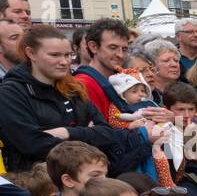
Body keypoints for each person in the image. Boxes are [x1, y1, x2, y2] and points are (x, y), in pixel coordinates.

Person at [0, 25, 162, 175]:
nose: (64, 62)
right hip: (40, 181)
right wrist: (89, 134)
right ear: (31, 53)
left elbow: (106, 133)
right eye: (54, 55)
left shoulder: (73, 88)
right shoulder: (11, 92)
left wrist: (67, 132)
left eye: (68, 55)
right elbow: (32, 145)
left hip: (88, 178)